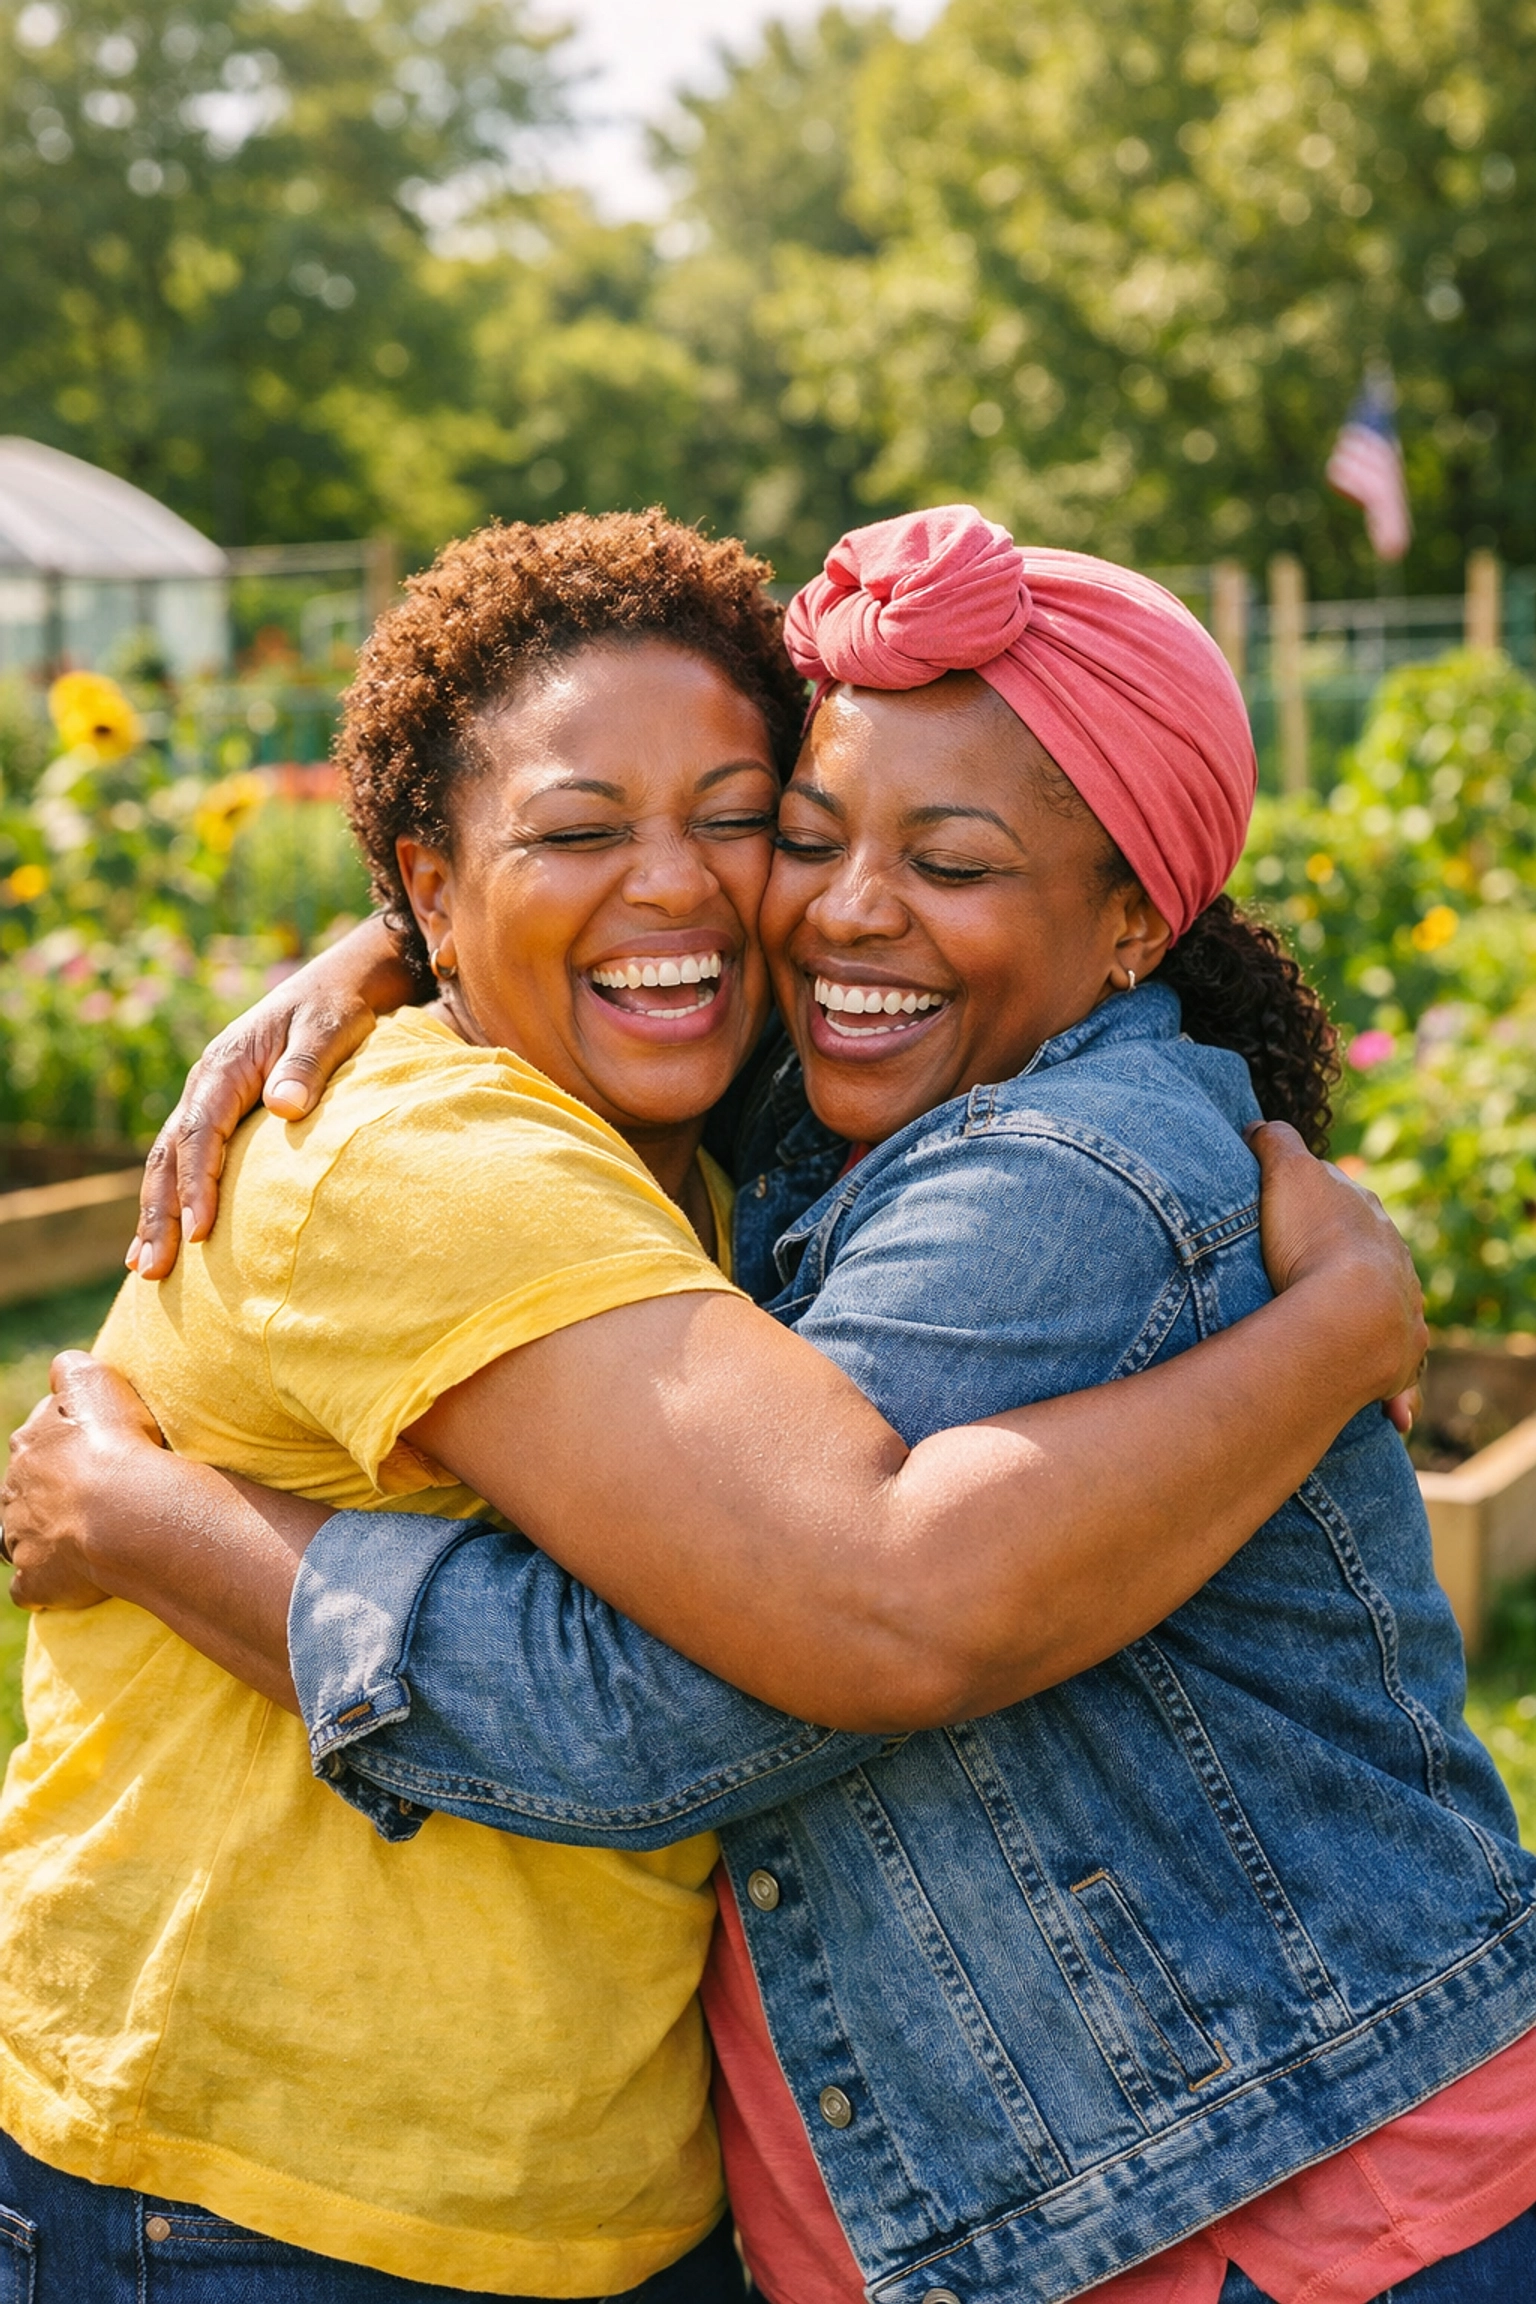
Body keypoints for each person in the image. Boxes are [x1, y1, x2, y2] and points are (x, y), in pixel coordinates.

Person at [0, 511, 1422, 2304]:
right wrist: (396, 951)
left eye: (737, 820)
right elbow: (844, 1606)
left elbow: (815, 1617)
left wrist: (154, 1519)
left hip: (603, 2201)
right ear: (426, 882)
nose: (702, 888)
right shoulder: (426, 1152)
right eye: (582, 832)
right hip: (266, 2203)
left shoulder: (799, 1137)